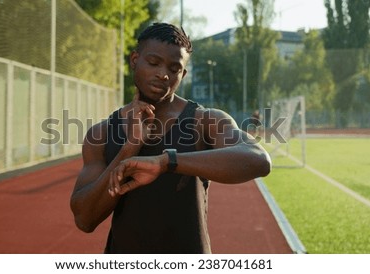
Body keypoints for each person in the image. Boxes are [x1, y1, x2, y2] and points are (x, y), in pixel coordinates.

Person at [70, 22, 271, 254]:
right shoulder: (101, 133)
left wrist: (166, 162)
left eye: (174, 69)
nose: (163, 74)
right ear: (135, 60)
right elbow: (85, 219)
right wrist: (131, 147)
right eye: (153, 63)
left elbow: (258, 159)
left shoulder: (204, 121)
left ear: (183, 74)